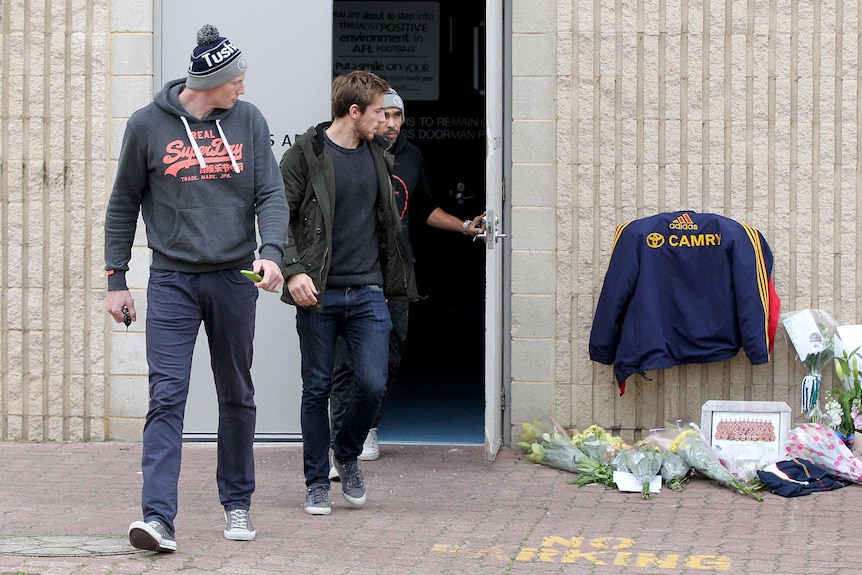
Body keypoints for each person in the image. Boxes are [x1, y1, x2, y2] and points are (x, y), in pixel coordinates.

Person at [104, 24, 288, 552]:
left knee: (236, 392)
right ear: (210, 80)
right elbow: (122, 205)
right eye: (236, 81)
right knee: (167, 396)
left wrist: (271, 253)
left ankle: (236, 504)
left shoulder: (248, 121)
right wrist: (117, 280)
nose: (243, 90)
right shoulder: (146, 125)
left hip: (234, 278)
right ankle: (157, 519)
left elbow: (270, 195)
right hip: (172, 281)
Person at [279, 71, 418, 516]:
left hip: (368, 291)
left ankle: (346, 452)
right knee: (316, 390)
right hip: (316, 293)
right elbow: (275, 215)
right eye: (380, 112)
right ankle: (317, 482)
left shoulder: (380, 154)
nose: (387, 122)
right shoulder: (305, 154)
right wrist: (293, 270)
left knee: (373, 383)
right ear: (353, 111)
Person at [328, 88, 484, 467]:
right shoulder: (347, 152)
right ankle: (340, 436)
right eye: (386, 116)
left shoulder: (410, 156)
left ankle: (368, 426)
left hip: (396, 272)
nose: (393, 124)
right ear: (367, 115)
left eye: (399, 117)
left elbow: (423, 207)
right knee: (346, 359)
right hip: (352, 268)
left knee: (390, 352)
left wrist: (466, 226)